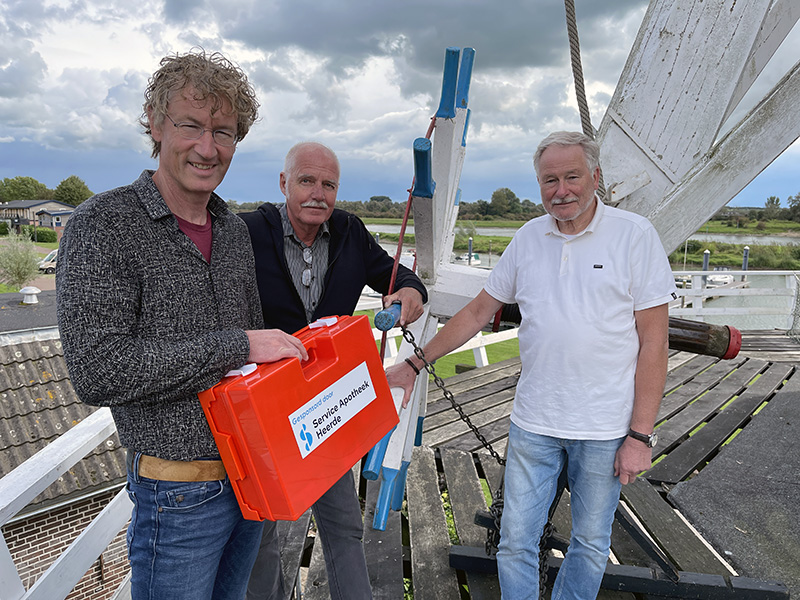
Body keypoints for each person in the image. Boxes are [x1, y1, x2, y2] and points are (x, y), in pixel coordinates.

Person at [56, 49, 308, 600]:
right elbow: (99, 372)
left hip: (251, 478)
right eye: (190, 125)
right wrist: (237, 344)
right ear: (155, 122)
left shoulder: (233, 230)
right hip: (178, 492)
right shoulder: (103, 225)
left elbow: (253, 365)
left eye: (223, 132)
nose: (207, 147)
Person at [387, 131, 677, 600]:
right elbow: (478, 313)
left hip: (604, 428)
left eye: (571, 177)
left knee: (589, 543)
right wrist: (415, 363)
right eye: (549, 180)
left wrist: (640, 436)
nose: (560, 190)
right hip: (534, 422)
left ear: (595, 177)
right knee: (514, 542)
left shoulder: (634, 236)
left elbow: (654, 343)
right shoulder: (528, 238)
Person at [241, 141, 427, 600]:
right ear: (284, 183)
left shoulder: (348, 231)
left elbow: (396, 276)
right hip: (266, 409)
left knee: (343, 523)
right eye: (306, 181)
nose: (318, 194)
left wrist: (408, 292)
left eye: (329, 185)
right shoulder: (244, 232)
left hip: (326, 407)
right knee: (260, 533)